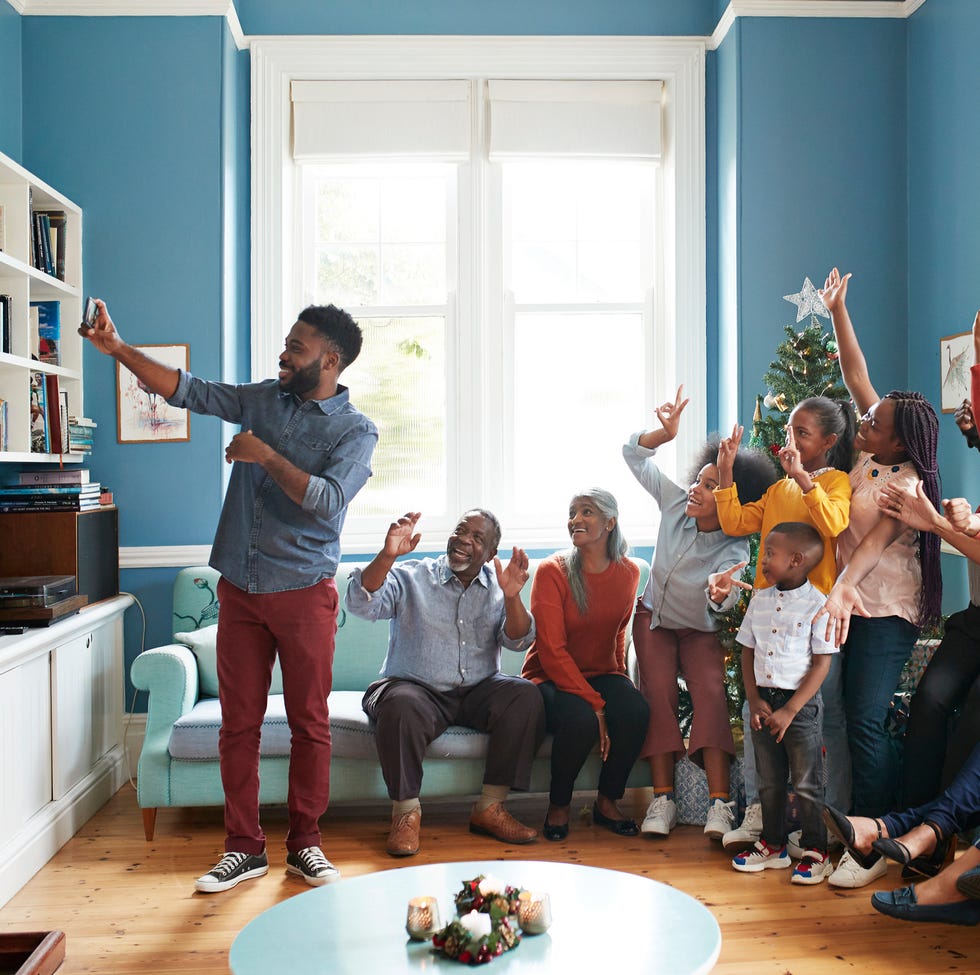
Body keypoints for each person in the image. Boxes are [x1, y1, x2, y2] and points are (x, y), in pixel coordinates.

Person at [81, 299, 378, 893]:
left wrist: (264, 455)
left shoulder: (356, 430)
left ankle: (306, 845)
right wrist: (117, 349)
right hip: (240, 589)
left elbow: (325, 500)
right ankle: (243, 848)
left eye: (296, 346)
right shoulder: (263, 397)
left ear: (331, 359)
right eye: (286, 342)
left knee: (309, 724)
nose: (283, 353)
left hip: (306, 592)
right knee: (236, 726)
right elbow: (189, 390)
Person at [814, 267, 943, 889]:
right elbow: (855, 372)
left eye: (872, 424)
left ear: (898, 444)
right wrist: (839, 310)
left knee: (866, 719)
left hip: (885, 611)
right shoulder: (874, 451)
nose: (861, 425)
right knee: (842, 716)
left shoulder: (907, 483)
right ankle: (859, 827)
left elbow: (873, 545)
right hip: (847, 604)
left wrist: (843, 585)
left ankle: (874, 837)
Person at [622, 388, 777, 841]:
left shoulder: (735, 546)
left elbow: (726, 602)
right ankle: (663, 799)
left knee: (710, 693)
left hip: (699, 630)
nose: (697, 488)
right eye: (699, 480)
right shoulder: (674, 502)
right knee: (658, 695)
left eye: (712, 486)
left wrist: (720, 594)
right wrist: (661, 434)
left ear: (732, 497)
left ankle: (719, 804)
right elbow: (633, 457)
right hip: (654, 620)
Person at [345, 510, 545, 857]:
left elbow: (518, 640)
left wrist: (512, 597)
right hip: (416, 688)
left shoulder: (497, 586)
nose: (465, 539)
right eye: (460, 531)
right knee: (400, 703)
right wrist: (388, 555)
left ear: (490, 553)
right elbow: (360, 602)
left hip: (477, 691)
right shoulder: (413, 576)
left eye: (478, 538)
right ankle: (406, 813)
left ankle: (490, 808)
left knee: (525, 695)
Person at [714, 396, 855, 834]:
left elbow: (833, 524)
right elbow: (735, 521)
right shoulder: (778, 489)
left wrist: (802, 477)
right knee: (755, 716)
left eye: (802, 433)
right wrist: (725, 471)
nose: (789, 439)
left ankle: (833, 821)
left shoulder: (835, 483)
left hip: (813, 622)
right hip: (769, 620)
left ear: (829, 442)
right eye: (789, 430)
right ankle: (762, 813)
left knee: (823, 718)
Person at [521, 489, 650, 840]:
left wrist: (620, 682)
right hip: (548, 676)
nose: (575, 520)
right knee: (580, 719)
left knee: (635, 710)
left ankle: (607, 802)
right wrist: (595, 705)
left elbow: (619, 633)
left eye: (587, 512)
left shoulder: (629, 573)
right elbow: (551, 650)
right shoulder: (552, 571)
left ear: (610, 523)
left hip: (601, 672)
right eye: (572, 512)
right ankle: (559, 805)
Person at [897, 311, 980, 807]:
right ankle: (906, 819)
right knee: (928, 702)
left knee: (971, 718)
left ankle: (938, 840)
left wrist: (936, 522)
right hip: (974, 623)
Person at [729, 522, 838, 885]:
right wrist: (754, 698)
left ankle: (816, 849)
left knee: (807, 783)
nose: (763, 560)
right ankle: (772, 845)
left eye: (770, 553)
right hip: (764, 703)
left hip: (800, 708)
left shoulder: (818, 605)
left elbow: (822, 663)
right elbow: (747, 652)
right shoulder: (759, 601)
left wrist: (791, 710)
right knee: (770, 781)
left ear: (796, 560)